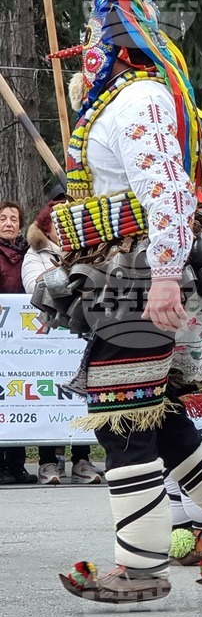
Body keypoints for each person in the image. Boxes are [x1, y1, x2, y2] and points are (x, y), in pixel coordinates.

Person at [37, 0, 202, 602]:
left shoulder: (137, 100)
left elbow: (171, 197)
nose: (83, 45)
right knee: (155, 416)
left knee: (122, 420)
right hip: (122, 279)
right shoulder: (114, 104)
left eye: (91, 33)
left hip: (140, 282)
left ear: (113, 42)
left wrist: (168, 275)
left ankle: (140, 568)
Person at [21, 201, 102, 484]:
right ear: (46, 227)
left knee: (82, 396)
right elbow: (33, 286)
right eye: (58, 224)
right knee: (49, 396)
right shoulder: (37, 254)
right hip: (50, 338)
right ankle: (47, 462)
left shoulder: (88, 250)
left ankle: (82, 459)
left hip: (80, 334)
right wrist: (67, 276)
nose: (64, 230)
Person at [0, 200, 37, 485]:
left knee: (18, 397)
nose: (8, 223)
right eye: (3, 218)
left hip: (21, 339)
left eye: (14, 219)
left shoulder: (29, 253)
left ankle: (18, 464)